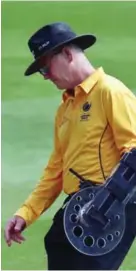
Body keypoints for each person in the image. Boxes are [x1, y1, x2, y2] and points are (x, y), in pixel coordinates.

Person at [4, 22, 136, 270]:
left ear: (66, 53)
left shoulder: (110, 91)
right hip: (79, 206)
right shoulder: (65, 109)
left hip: (110, 209)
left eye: (45, 67)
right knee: (55, 245)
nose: (46, 76)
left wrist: (107, 203)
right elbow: (56, 170)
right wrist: (25, 213)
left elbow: (134, 152)